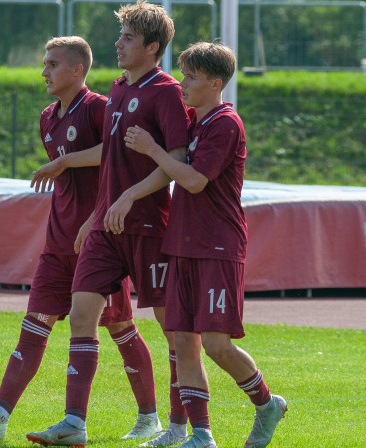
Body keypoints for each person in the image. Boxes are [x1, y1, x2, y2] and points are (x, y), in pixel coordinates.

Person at [0, 36, 157, 442]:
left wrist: (93, 214)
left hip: (100, 244)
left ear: (78, 70)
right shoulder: (47, 116)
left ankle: (147, 418)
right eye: (44, 63)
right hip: (57, 244)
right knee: (34, 326)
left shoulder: (100, 107)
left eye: (53, 64)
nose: (44, 71)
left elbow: (116, 156)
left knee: (120, 329)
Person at [26, 2, 192, 446]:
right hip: (106, 226)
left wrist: (129, 196)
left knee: (171, 329)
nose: (118, 45)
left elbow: (175, 163)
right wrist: (97, 215)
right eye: (119, 37)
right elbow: (112, 162)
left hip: (148, 226)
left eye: (128, 39)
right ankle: (74, 424)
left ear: (152, 47)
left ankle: (176, 427)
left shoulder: (169, 91)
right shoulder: (118, 89)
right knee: (82, 315)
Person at [124, 41, 288, 448]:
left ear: (216, 83)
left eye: (192, 77)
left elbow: (194, 181)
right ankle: (200, 435)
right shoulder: (195, 122)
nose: (183, 83)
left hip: (218, 246)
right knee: (182, 339)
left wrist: (152, 148)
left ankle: (267, 404)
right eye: (183, 74)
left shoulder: (225, 123)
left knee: (215, 344)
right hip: (182, 243)